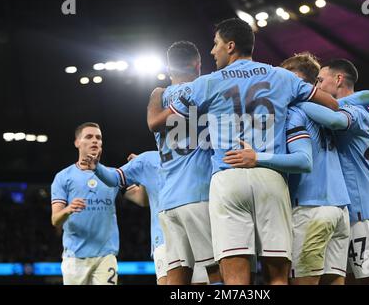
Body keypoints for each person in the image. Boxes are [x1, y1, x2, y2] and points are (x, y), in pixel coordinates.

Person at [147, 18, 339, 285]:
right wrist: (292, 110)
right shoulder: (281, 76)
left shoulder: (207, 83)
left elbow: (159, 122)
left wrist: (157, 93)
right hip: (271, 177)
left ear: (230, 45)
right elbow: (331, 104)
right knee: (277, 278)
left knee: (235, 280)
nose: (212, 51)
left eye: (215, 45)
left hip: (229, 177)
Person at [224, 53, 352, 285]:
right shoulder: (326, 112)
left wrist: (257, 158)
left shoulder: (294, 112)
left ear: (308, 85)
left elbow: (303, 161)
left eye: (293, 82)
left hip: (310, 208)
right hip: (340, 208)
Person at [297, 59, 369, 285]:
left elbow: (337, 121)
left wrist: (298, 101)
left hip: (363, 211)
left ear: (338, 79)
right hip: (341, 209)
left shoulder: (357, 111)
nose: (317, 86)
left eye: (320, 80)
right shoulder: (343, 106)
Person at [147, 41, 220, 285]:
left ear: (169, 68)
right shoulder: (207, 90)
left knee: (177, 277)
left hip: (167, 203)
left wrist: (156, 92)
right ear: (198, 65)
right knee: (217, 271)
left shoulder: (160, 98)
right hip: (199, 194)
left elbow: (153, 122)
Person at [84, 151, 211, 285]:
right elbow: (139, 197)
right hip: (164, 238)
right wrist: (141, 174)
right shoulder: (148, 160)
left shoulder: (200, 154)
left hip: (197, 232)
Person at [51, 122, 120, 285]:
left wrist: (145, 173)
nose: (95, 141)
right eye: (89, 137)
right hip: (75, 258)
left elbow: (142, 200)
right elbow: (55, 220)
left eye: (98, 138)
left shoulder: (112, 175)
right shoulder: (63, 177)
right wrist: (68, 209)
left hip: (106, 256)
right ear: (77, 143)